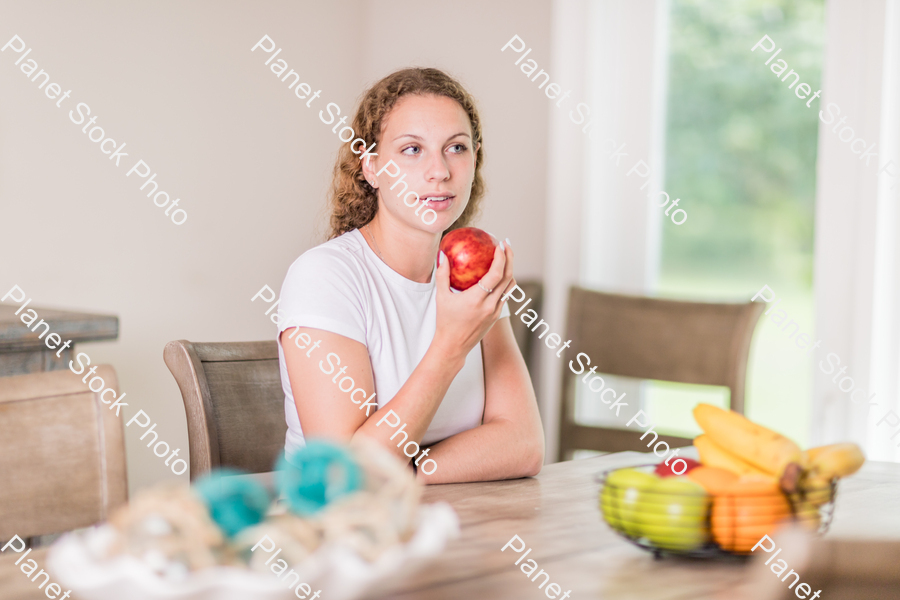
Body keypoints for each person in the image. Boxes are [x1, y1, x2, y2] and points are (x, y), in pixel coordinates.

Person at [276, 68, 544, 483]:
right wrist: (451, 345)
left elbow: (524, 445)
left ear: (475, 160)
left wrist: (405, 469)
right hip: (338, 536)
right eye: (412, 150)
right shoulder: (324, 277)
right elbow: (345, 476)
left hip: (451, 526)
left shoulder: (473, 274)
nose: (439, 170)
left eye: (456, 147)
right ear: (371, 167)